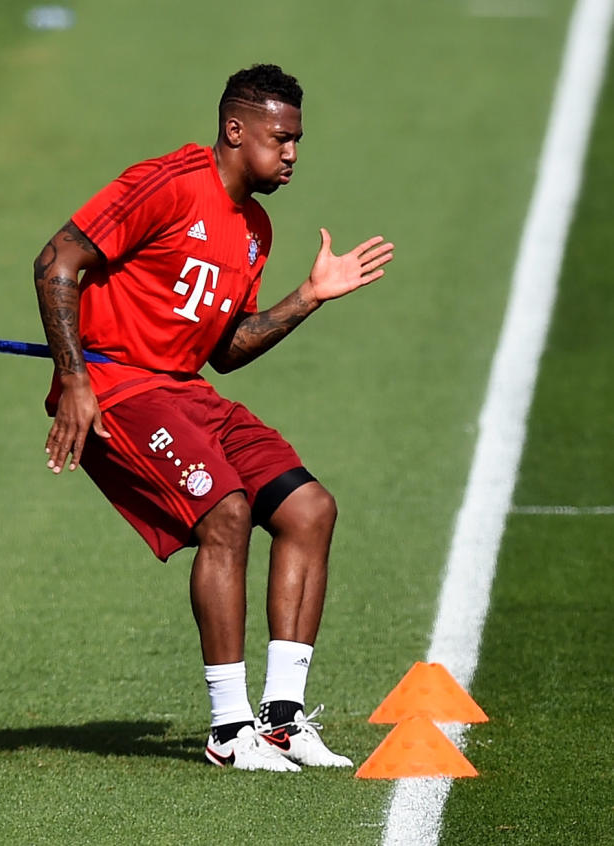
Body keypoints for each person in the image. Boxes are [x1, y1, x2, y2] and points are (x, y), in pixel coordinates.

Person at [32, 64, 393, 771]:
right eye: (278, 138)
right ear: (235, 129)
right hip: (120, 389)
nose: (291, 154)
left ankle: (283, 721)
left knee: (310, 509)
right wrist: (75, 381)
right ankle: (231, 730)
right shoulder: (166, 183)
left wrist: (309, 297)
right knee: (224, 513)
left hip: (185, 390)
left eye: (296, 141)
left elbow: (223, 349)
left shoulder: (254, 228)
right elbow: (55, 263)